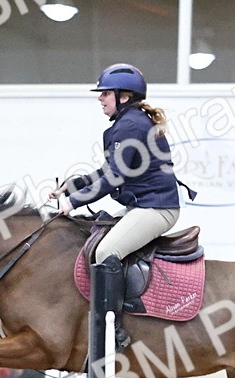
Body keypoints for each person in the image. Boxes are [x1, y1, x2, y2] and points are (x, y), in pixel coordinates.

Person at [48, 63, 188, 350]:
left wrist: (73, 203)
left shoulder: (132, 125)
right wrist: (71, 186)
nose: (100, 99)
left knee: (105, 251)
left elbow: (114, 178)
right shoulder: (128, 123)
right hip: (143, 205)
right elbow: (105, 171)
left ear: (123, 96)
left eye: (105, 94)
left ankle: (111, 328)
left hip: (156, 209)